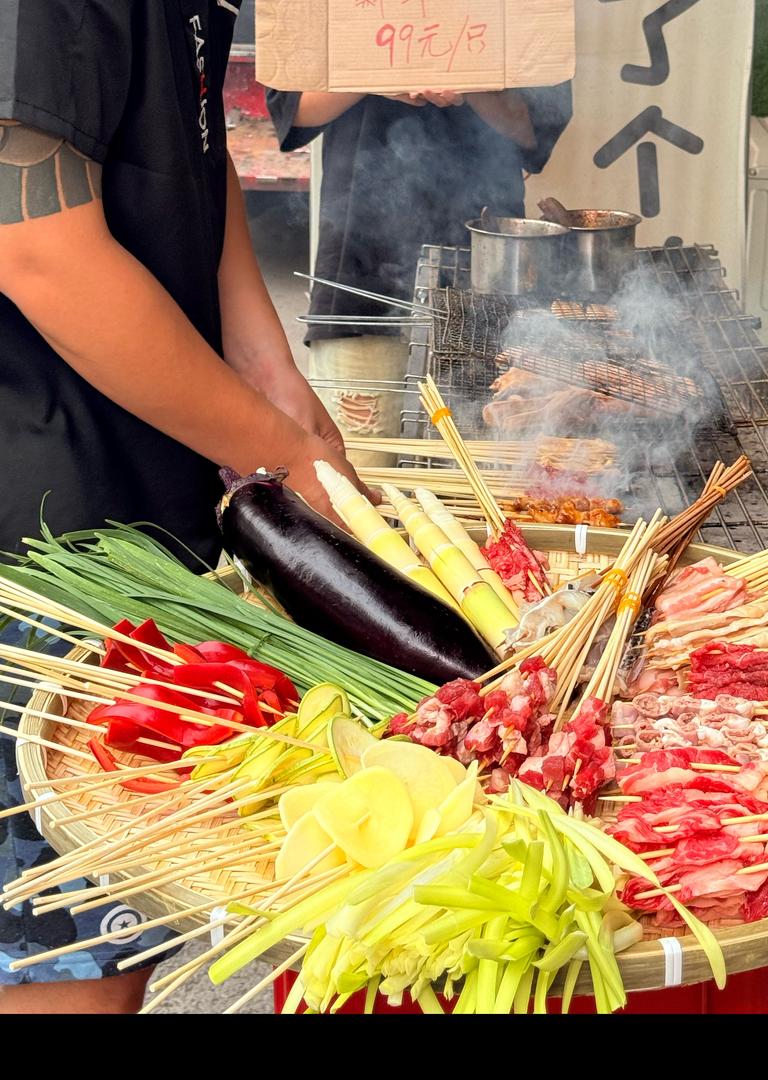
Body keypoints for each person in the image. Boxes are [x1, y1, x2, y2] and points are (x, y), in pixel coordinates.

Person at [0, 1, 366, 1013]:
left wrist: (275, 385)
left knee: (126, 927)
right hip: (36, 522)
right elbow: (38, 251)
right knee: (67, 963)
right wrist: (282, 456)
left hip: (138, 498)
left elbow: (196, 163)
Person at [266, 82, 573, 467]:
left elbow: (532, 132)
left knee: (474, 483)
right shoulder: (340, 21)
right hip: (361, 276)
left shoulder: (529, 23)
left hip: (484, 274)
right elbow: (293, 111)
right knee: (362, 479)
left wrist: (471, 84)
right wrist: (378, 74)